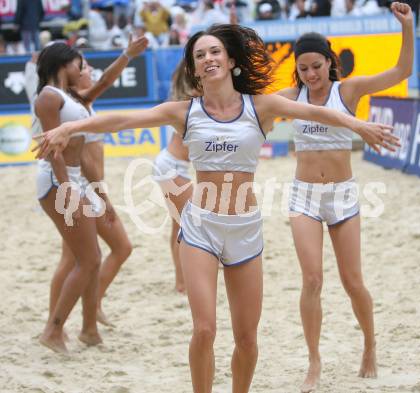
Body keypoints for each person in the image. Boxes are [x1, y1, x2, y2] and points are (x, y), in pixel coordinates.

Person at [34, 24, 396, 392]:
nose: (208, 58)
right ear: (194, 69)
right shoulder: (186, 111)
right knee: (204, 330)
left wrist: (359, 126)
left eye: (214, 52)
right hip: (201, 227)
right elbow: (124, 119)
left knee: (247, 340)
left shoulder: (261, 107)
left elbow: (321, 114)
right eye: (200, 55)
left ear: (231, 60)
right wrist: (70, 128)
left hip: (245, 231)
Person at [277, 3, 413, 391]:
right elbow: (250, 108)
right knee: (312, 280)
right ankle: (314, 361)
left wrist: (407, 26)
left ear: (329, 62)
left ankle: (369, 343)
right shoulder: (291, 96)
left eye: (316, 65)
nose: (310, 74)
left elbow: (401, 72)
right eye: (303, 68)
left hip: (342, 195)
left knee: (353, 281)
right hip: (303, 196)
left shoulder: (347, 90)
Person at [49, 35, 148, 328]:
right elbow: (85, 162)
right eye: (84, 66)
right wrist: (99, 195)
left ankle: (87, 311)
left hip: (89, 187)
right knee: (75, 259)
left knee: (102, 252)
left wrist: (127, 55)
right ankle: (60, 321)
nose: (87, 69)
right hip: (82, 188)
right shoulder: (69, 105)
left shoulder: (83, 105)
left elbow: (106, 79)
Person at [34, 43, 101, 354]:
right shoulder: (49, 96)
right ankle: (54, 330)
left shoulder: (71, 97)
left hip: (72, 179)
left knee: (86, 259)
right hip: (56, 179)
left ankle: (85, 329)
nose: (82, 69)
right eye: (79, 63)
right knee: (87, 259)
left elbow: (79, 153)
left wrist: (96, 191)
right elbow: (54, 149)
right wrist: (68, 190)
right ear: (63, 63)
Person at [152, 61, 195, 294]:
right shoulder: (189, 103)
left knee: (180, 224)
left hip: (172, 166)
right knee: (185, 224)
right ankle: (182, 280)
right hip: (171, 167)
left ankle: (181, 279)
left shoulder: (186, 100)